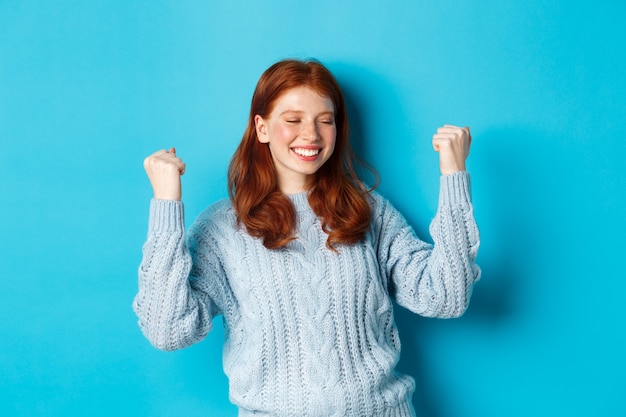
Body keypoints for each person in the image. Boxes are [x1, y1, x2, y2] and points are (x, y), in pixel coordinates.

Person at [134, 58, 480, 417]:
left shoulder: (367, 211)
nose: (311, 135)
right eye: (293, 120)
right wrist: (166, 205)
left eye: (325, 120)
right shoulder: (222, 229)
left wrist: (454, 176)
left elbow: (446, 297)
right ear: (262, 127)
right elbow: (168, 330)